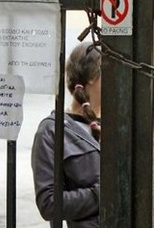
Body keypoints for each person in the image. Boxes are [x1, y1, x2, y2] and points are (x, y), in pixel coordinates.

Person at [31, 42, 102, 227]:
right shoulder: (52, 130)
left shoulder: (121, 123)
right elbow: (49, 204)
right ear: (93, 77)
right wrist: (101, 194)